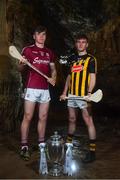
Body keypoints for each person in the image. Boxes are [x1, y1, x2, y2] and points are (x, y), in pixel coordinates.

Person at [18, 25, 57, 160]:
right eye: (39, 34)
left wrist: (54, 78)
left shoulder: (49, 52)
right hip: (32, 88)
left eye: (44, 34)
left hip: (45, 89)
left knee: (43, 117)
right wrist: (22, 63)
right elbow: (20, 68)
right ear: (34, 36)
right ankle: (24, 146)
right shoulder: (28, 50)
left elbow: (53, 69)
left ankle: (41, 143)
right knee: (28, 116)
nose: (41, 36)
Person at [60, 34, 97, 163]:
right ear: (76, 44)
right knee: (71, 119)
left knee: (88, 120)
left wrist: (89, 92)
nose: (81, 44)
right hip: (71, 95)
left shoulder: (91, 59)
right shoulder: (73, 59)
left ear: (87, 44)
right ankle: (68, 145)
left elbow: (92, 77)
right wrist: (64, 92)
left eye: (83, 42)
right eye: (78, 42)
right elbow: (69, 77)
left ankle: (92, 152)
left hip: (84, 95)